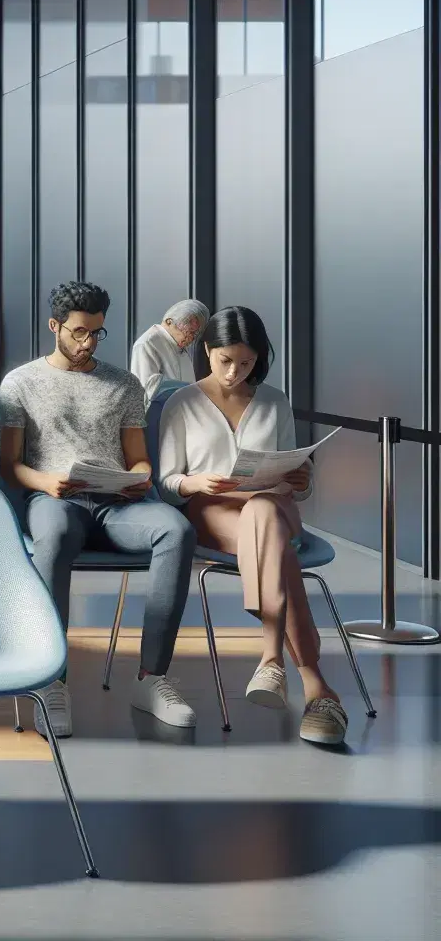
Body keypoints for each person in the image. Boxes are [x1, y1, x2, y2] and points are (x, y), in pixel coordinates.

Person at [0, 281, 197, 736]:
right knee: (54, 538)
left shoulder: (124, 384)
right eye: (79, 333)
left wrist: (142, 476)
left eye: (97, 334)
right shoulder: (21, 382)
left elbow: (138, 457)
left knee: (176, 531)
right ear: (55, 327)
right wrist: (47, 481)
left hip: (118, 505)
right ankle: (51, 680)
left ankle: (152, 678)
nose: (88, 343)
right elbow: (10, 466)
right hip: (54, 498)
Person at [155, 306, 345, 745]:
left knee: (264, 511)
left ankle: (273, 661)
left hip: (274, 506)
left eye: (247, 362)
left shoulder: (275, 401)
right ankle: (312, 683)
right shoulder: (181, 403)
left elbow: (294, 483)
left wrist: (302, 479)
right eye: (225, 361)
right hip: (213, 510)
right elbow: (166, 485)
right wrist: (194, 480)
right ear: (207, 351)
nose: (235, 372)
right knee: (273, 539)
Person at [131, 299, 210, 400]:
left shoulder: (180, 345)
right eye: (187, 332)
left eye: (194, 334)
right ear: (169, 322)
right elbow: (146, 389)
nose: (190, 339)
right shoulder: (147, 343)